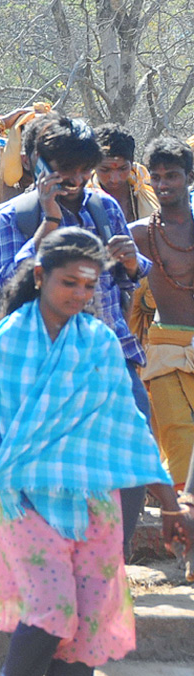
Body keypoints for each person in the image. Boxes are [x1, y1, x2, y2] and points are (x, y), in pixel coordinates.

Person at [0, 227, 178, 676]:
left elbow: (126, 425)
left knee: (84, 633)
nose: (80, 294)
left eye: (90, 284)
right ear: (40, 277)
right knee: (52, 610)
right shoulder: (3, 342)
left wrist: (168, 500)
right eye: (68, 282)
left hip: (95, 501)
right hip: (27, 498)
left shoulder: (101, 344)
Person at [0, 112, 156, 554]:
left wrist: (132, 263)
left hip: (112, 356)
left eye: (84, 170)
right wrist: (47, 222)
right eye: (65, 170)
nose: (76, 179)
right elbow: (11, 285)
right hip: (46, 365)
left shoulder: (105, 208)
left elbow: (132, 281)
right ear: (35, 163)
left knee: (132, 456)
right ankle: (53, 565)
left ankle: (111, 563)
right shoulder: (12, 217)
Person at [130, 137, 194, 493]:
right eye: (156, 176)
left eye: (172, 175)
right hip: (166, 349)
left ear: (189, 176)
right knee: (178, 439)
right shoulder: (140, 233)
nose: (163, 184)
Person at [91, 123, 158, 222]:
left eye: (122, 169)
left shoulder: (153, 196)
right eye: (105, 170)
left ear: (131, 163)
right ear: (93, 165)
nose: (115, 179)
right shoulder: (80, 202)